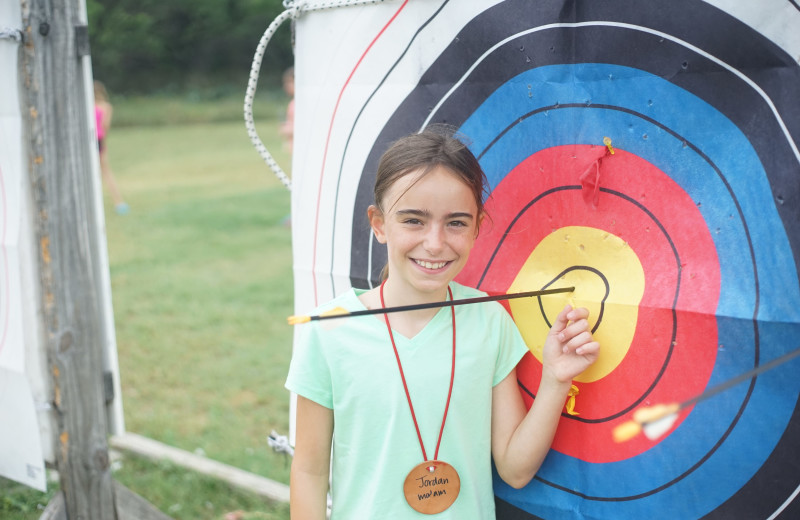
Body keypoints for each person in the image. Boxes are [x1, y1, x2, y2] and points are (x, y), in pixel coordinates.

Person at [286, 128, 600, 519]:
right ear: (379, 224)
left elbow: (515, 470)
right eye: (414, 221)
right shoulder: (329, 330)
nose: (435, 243)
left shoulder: (490, 320)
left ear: (477, 227)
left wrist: (555, 380)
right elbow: (309, 471)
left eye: (455, 223)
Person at [93, 80, 128, 215]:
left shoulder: (87, 105)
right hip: (100, 140)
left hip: (90, 140)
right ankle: (119, 202)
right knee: (106, 172)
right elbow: (105, 126)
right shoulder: (106, 107)